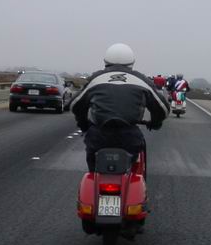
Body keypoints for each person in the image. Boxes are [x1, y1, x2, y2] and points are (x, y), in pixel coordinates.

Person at [71, 43, 169, 173]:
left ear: (106, 61)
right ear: (132, 62)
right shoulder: (141, 80)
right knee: (133, 167)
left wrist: (83, 124)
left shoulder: (96, 78)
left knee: (93, 168)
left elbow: (75, 104)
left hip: (98, 137)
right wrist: (155, 122)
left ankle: (94, 179)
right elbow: (163, 108)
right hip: (129, 138)